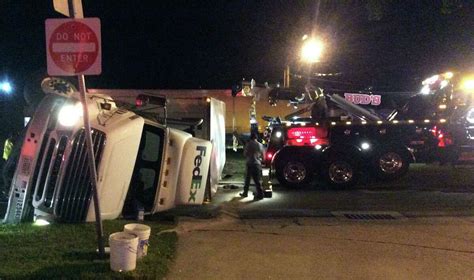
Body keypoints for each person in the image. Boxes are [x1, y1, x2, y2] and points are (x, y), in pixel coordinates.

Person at [240, 133, 265, 200]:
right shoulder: (260, 145)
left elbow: (245, 154)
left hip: (249, 163)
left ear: (251, 138)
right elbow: (263, 156)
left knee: (247, 179)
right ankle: (260, 194)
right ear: (256, 138)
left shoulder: (248, 144)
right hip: (257, 164)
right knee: (257, 180)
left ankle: (245, 193)